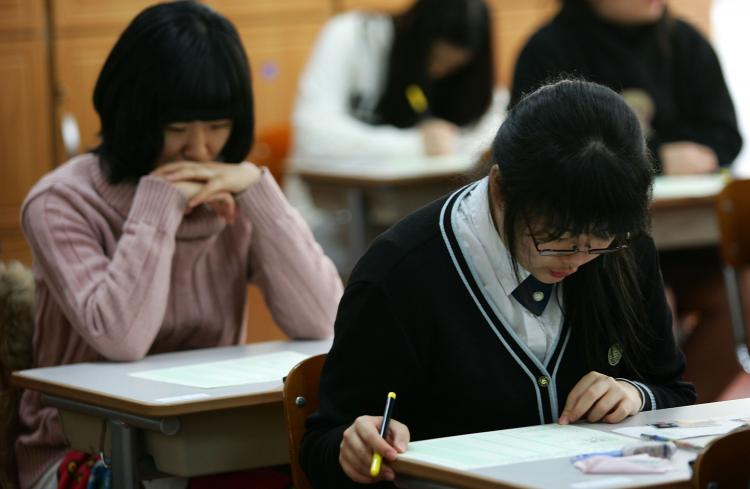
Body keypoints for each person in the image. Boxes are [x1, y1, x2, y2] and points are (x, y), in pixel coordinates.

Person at [299, 80, 696, 488]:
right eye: (557, 240)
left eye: (597, 244)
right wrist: (356, 447)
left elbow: (675, 394)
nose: (578, 261)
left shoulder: (623, 245)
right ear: (501, 189)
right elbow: (321, 444)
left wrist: (636, 395)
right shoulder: (401, 273)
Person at [15, 2, 343, 489]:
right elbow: (121, 339)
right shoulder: (61, 202)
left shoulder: (230, 196)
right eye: (177, 130)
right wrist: (159, 205)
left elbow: (323, 318)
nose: (200, 150)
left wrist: (259, 194)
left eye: (217, 127)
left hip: (208, 439)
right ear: (134, 115)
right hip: (83, 451)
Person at [510, 0, 744, 399]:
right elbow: (535, 148)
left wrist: (701, 153)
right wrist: (659, 155)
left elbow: (725, 134)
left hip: (691, 239)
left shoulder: (684, 41)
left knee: (742, 297)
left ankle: (681, 409)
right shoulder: (549, 47)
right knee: (649, 298)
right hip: (595, 242)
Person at [510, 0, 742, 175]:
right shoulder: (546, 51)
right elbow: (539, 152)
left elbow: (726, 136)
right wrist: (654, 159)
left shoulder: (687, 42)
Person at [292, 0, 502, 161]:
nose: (437, 72)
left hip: (418, 201)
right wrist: (416, 145)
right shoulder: (352, 36)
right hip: (337, 207)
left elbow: (492, 129)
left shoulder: (467, 78)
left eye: (452, 67)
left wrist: (449, 142)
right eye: (433, 59)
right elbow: (313, 134)